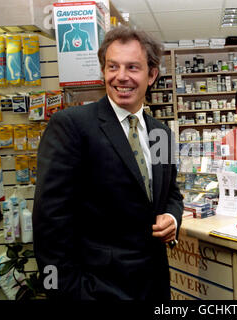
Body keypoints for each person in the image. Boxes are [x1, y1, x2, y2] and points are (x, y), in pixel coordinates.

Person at [32, 26, 183, 300]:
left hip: (154, 285)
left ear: (152, 75)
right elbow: (49, 221)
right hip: (96, 289)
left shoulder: (161, 133)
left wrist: (172, 218)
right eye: (113, 66)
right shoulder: (72, 126)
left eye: (132, 67)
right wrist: (62, 290)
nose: (121, 77)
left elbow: (171, 193)